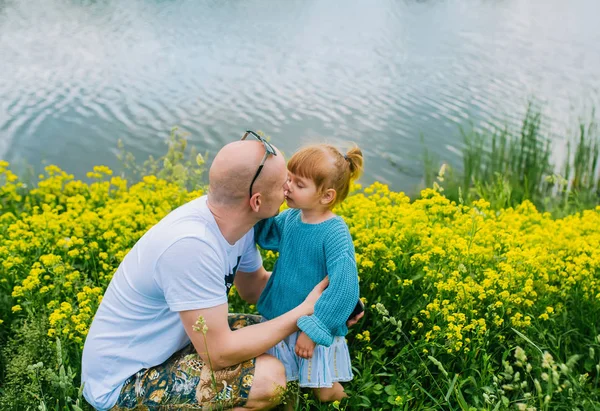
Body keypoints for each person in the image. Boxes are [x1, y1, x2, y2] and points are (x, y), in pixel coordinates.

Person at [81, 131, 364, 411]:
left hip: (177, 343)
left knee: (274, 337)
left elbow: (254, 288)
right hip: (124, 383)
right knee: (270, 379)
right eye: (283, 184)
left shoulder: (237, 225)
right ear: (256, 201)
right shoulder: (192, 246)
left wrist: (332, 305)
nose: (288, 190)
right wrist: (305, 313)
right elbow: (219, 354)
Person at [254, 143, 363, 403]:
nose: (288, 187)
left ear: (326, 196)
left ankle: (346, 403)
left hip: (313, 323)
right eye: (288, 179)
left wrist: (313, 331)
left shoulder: (334, 232)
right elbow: (268, 236)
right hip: (282, 317)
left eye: (299, 184)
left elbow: (344, 288)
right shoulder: (292, 217)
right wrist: (265, 202)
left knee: (323, 390)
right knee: (286, 385)